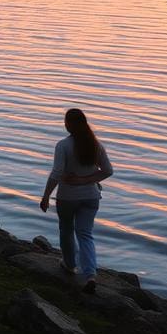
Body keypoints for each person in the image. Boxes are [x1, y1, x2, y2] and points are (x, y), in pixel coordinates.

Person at [39, 108, 114, 293]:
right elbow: (107, 171)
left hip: (68, 197)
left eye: (66, 121)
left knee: (66, 230)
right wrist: (86, 180)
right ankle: (90, 274)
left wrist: (46, 195)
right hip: (91, 197)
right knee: (85, 234)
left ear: (69, 125)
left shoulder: (63, 145)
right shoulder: (95, 145)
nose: (64, 124)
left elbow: (57, 173)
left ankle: (70, 265)